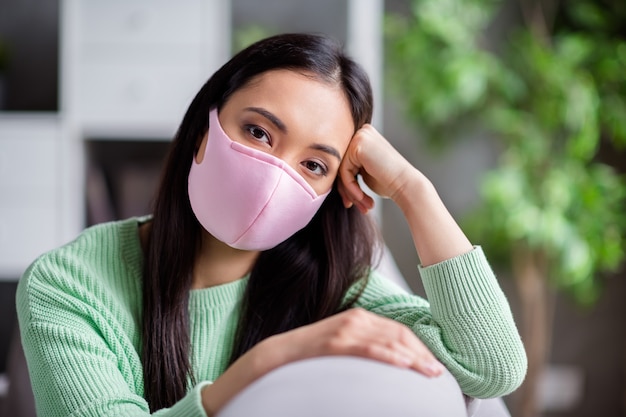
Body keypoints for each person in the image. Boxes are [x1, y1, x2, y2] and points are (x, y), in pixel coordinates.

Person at [16, 33, 527, 417]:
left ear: (330, 195)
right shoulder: (68, 284)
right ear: (203, 130)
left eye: (314, 165)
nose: (275, 177)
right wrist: (274, 359)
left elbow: (492, 367)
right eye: (259, 132)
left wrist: (413, 190)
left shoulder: (332, 284)